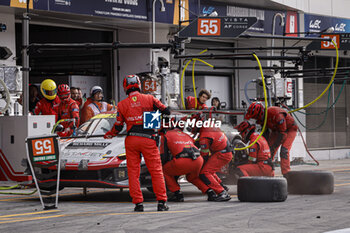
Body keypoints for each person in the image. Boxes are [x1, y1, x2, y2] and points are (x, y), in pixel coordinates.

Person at [104, 74, 170, 212]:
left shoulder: (122, 104)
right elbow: (166, 110)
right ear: (138, 84)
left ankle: (138, 204)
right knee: (156, 171)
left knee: (133, 173)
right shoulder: (150, 98)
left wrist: (109, 135)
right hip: (148, 139)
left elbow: (117, 126)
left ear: (125, 86)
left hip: (132, 140)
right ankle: (161, 202)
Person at [160, 127, 215, 202]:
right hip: (198, 160)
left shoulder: (166, 136)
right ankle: (210, 192)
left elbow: (164, 155)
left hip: (182, 161)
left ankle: (177, 194)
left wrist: (163, 164)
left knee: (164, 171)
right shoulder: (185, 134)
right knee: (192, 178)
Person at [244, 102, 298, 176]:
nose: (255, 120)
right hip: (276, 130)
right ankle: (268, 170)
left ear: (259, 114)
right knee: (268, 150)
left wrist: (275, 145)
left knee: (284, 150)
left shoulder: (276, 114)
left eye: (255, 117)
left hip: (289, 129)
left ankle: (286, 173)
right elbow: (265, 133)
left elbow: (283, 134)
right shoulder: (262, 119)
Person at [194, 113, 232, 201]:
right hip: (225, 151)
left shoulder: (204, 136)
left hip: (222, 154)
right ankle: (222, 186)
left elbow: (205, 156)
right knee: (209, 170)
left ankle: (222, 192)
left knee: (204, 173)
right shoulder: (209, 126)